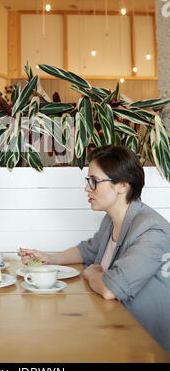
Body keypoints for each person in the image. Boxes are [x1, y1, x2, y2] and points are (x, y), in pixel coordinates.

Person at [18, 145, 170, 355]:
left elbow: (111, 289)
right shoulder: (112, 219)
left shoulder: (151, 230)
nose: (87, 188)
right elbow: (88, 251)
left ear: (122, 185)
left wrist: (92, 273)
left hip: (148, 342)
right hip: (116, 325)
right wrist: (49, 258)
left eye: (95, 181)